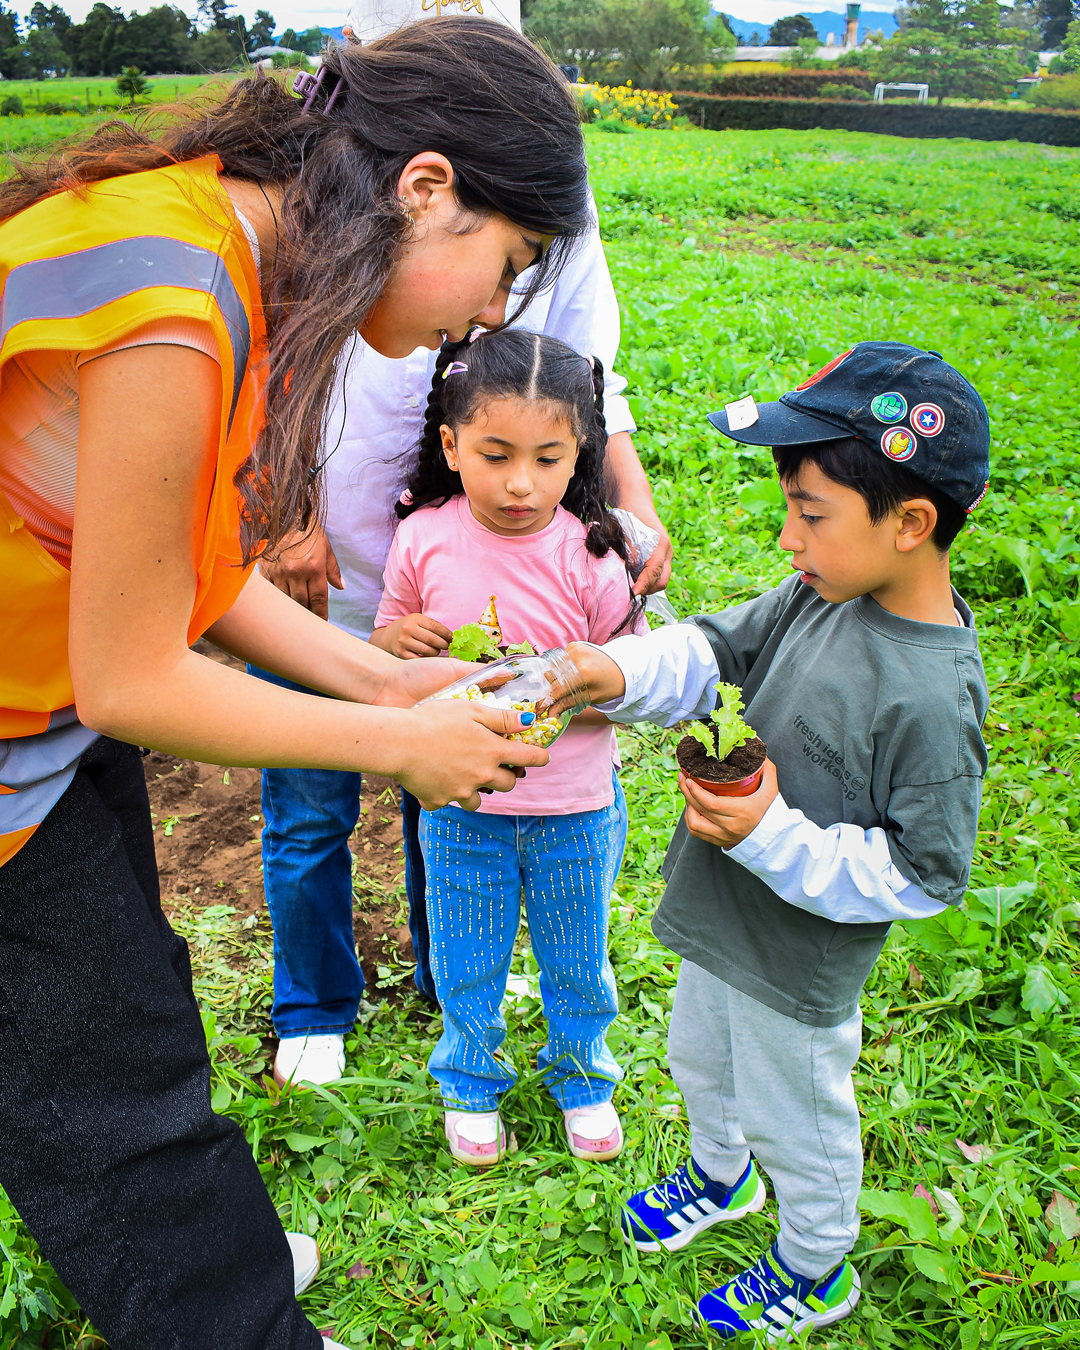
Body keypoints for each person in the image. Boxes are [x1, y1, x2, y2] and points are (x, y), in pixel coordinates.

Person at [0, 22, 592, 1350]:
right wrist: (406, 753)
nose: (492, 312)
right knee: (113, 1092)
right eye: (505, 266)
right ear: (428, 188)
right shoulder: (174, 290)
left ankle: (193, 1255)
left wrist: (386, 687)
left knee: (113, 1018)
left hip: (35, 708)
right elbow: (137, 672)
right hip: (34, 714)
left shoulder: (226, 248)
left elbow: (185, 578)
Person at [257, 0, 672, 1091]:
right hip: (318, 572)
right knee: (308, 806)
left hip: (441, 564)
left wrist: (628, 499)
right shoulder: (323, 213)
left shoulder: (539, 200)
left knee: (442, 790)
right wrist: (285, 510)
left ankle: (456, 977)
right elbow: (275, 359)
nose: (495, 310)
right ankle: (313, 1001)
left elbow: (583, 379)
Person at [564, 343, 990, 1341]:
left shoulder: (931, 696)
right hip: (725, 919)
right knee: (698, 1058)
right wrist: (608, 671)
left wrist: (770, 836)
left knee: (797, 1118)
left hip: (797, 966)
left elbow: (926, 876)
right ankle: (720, 1176)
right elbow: (713, 648)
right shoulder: (820, 593)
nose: (789, 538)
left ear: (911, 522)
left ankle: (813, 1261)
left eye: (811, 514)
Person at [369, 328, 648, 1165]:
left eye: (549, 458)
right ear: (452, 447)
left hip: (573, 807)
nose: (520, 483)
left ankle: (583, 1077)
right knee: (466, 954)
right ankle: (469, 1079)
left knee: (577, 956)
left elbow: (629, 682)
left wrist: (562, 697)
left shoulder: (594, 556)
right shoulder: (423, 538)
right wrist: (401, 642)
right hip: (464, 806)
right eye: (495, 454)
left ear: (582, 457)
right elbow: (383, 642)